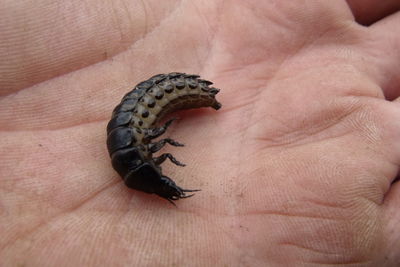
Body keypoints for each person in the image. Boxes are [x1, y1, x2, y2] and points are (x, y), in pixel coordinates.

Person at [1, 1, 399, 266]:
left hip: (158, 96)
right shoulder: (136, 144)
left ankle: (202, 97)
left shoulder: (136, 135)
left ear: (146, 162)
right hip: (150, 107)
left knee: (158, 99)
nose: (165, 177)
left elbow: (149, 112)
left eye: (159, 178)